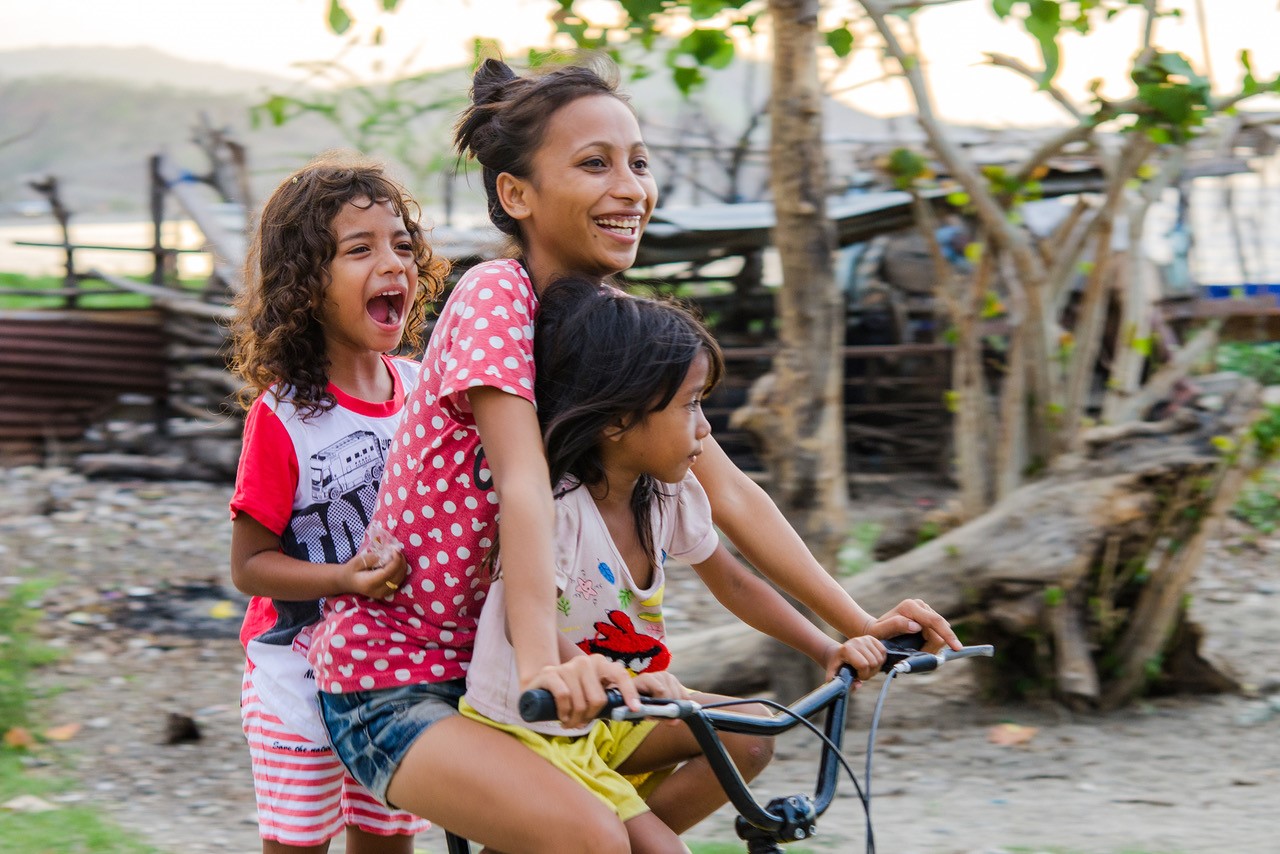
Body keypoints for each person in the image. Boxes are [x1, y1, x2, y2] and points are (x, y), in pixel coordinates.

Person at [307, 58, 960, 854]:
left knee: (741, 740)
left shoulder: (612, 323)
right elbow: (520, 482)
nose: (631, 188)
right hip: (402, 680)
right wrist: (547, 663)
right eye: (594, 164)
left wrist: (858, 623)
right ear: (516, 195)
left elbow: (731, 493)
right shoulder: (496, 297)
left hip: (522, 670)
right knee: (596, 842)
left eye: (639, 162)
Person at [461, 276, 890, 853]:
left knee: (751, 735)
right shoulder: (558, 511)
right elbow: (522, 621)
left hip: (620, 712)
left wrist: (826, 647)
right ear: (616, 421)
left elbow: (735, 582)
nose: (706, 428)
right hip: (538, 725)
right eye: (689, 405)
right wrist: (601, 674)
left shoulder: (667, 493)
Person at [227, 152, 448, 854]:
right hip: (296, 681)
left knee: (387, 844)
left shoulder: (423, 392)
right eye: (361, 249)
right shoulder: (284, 417)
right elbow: (251, 567)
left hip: (395, 679)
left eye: (403, 246)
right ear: (307, 284)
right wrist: (340, 579)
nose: (394, 264)